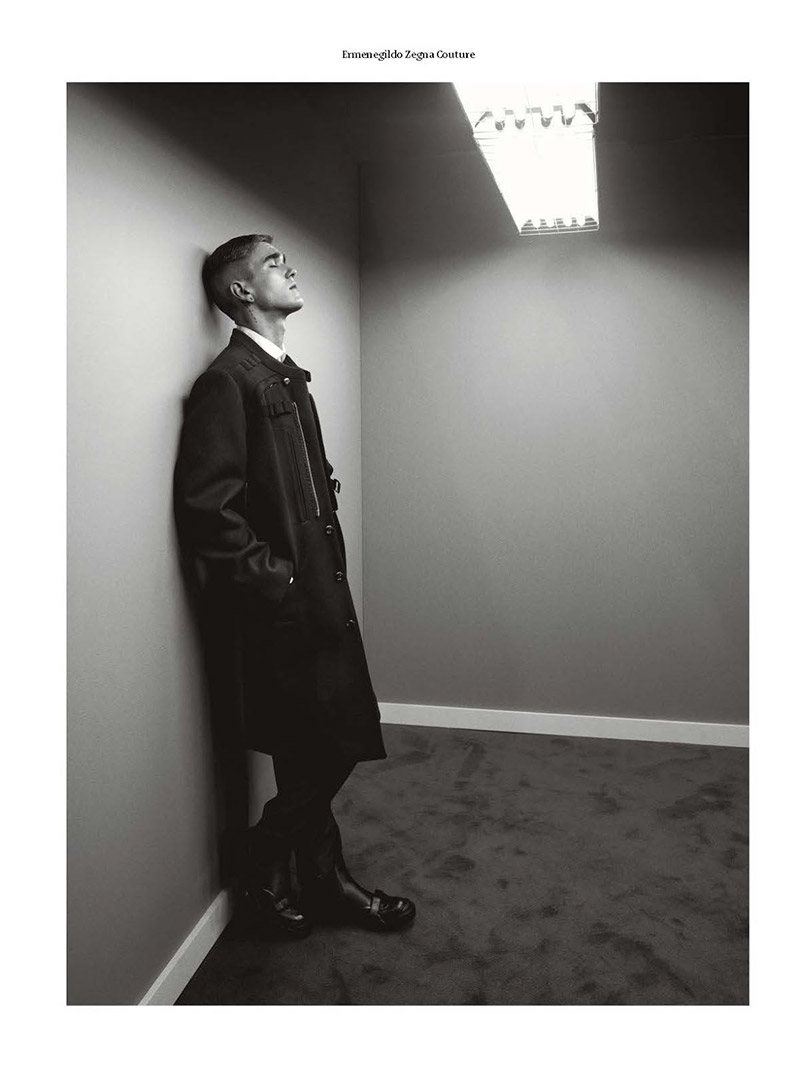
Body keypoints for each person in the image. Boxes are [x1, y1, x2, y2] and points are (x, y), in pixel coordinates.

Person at [174, 233, 415, 937]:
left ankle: (321, 879)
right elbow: (207, 508)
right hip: (282, 606)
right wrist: (276, 581)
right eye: (274, 264)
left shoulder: (285, 375)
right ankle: (267, 852)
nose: (290, 269)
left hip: (319, 593)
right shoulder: (229, 380)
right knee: (331, 741)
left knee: (313, 746)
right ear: (242, 290)